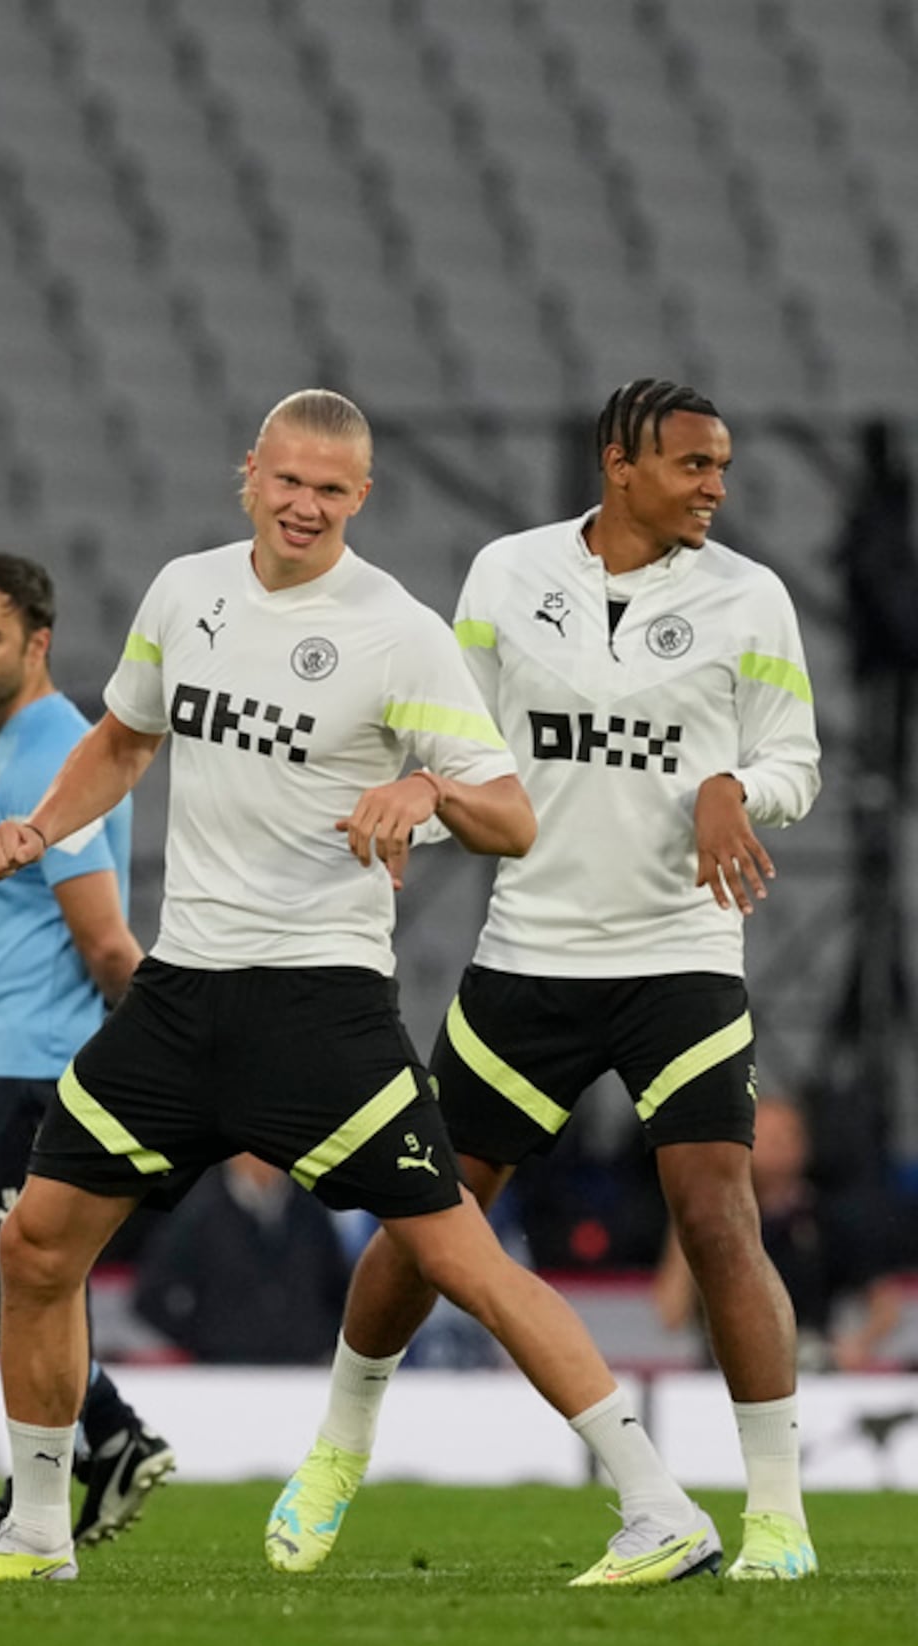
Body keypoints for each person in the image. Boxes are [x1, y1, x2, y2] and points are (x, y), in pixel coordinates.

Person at [0, 388, 721, 1590]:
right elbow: (126, 741)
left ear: (362, 498)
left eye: (330, 491)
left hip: (316, 1008)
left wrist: (423, 794)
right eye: (287, 481)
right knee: (32, 1245)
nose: (303, 505)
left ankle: (659, 1506)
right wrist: (43, 822)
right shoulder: (184, 592)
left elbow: (507, 809)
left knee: (458, 1255)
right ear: (251, 471)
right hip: (183, 996)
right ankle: (38, 1531)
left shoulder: (395, 631)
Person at [266, 380, 825, 1583]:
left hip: (679, 957)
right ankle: (333, 1455)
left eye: (721, 465)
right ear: (618, 463)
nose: (714, 487)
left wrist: (739, 786)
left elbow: (796, 763)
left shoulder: (750, 596)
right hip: (529, 956)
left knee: (717, 1215)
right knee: (426, 1218)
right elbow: (453, 738)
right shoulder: (505, 576)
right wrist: (418, 801)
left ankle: (777, 1516)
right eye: (691, 465)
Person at [0, 551, 175, 1555]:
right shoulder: (22, 741)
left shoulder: (59, 749)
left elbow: (104, 936)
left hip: (42, 1065)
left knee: (28, 1279)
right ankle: (99, 1441)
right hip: (4, 1062)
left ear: (38, 642)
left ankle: (57, 1478)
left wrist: (160, 1050)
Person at [657, 1096, 901, 1373]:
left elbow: (885, 1303)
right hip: (724, 1375)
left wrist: (858, 1345)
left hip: (806, 1370)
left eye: (791, 1135)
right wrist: (690, 1215)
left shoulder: (824, 1221)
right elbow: (670, 1313)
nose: (782, 1145)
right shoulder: (712, 1221)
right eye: (768, 1136)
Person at [136, 1155, 352, 1364]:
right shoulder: (198, 1209)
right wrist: (202, 1336)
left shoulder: (309, 1207)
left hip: (301, 1366)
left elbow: (338, 1285)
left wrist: (319, 1333)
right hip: (225, 1369)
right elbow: (152, 1292)